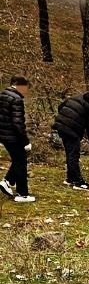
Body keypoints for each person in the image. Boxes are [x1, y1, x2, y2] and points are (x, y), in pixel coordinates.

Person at [0, 75, 35, 203]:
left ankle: (8, 181)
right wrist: (25, 142)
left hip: (4, 134)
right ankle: (22, 194)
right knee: (21, 162)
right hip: (13, 136)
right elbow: (18, 123)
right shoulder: (16, 99)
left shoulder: (4, 94)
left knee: (18, 159)